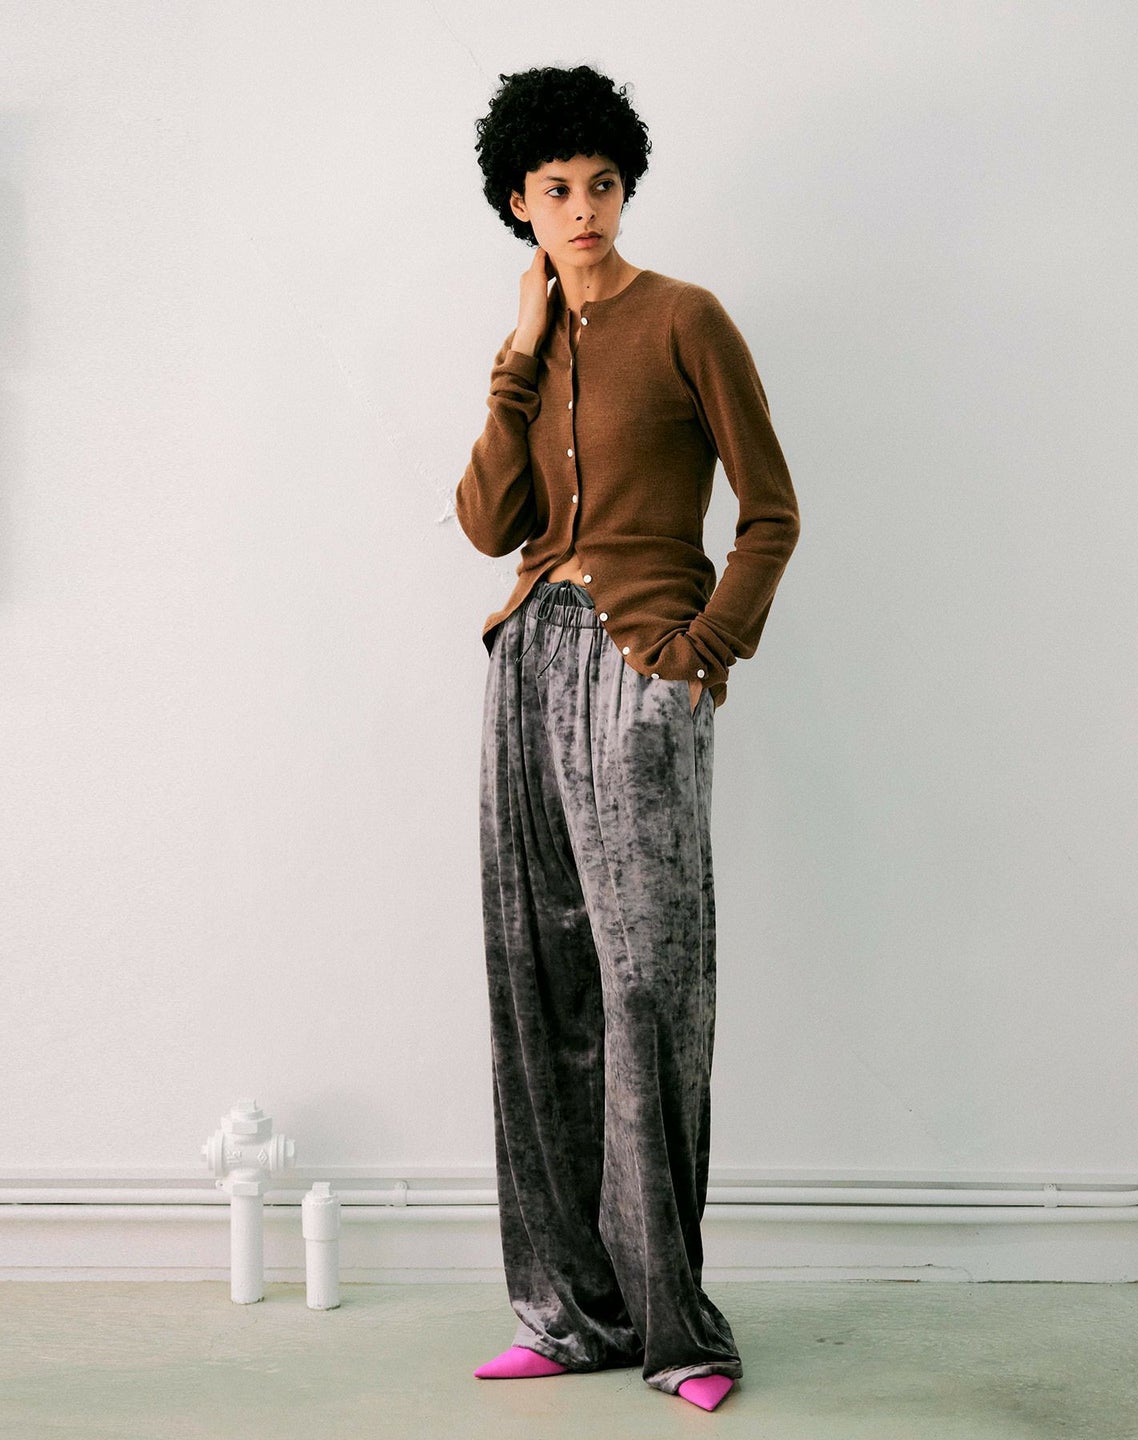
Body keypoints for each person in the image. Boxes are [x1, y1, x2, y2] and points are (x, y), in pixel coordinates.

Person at [455, 63, 800, 1414]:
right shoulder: (533, 347)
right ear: (519, 205)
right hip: (527, 662)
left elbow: (770, 511)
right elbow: (489, 524)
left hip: (642, 663)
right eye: (558, 189)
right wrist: (518, 349)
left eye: (603, 183)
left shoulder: (686, 318)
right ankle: (567, 1314)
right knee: (537, 986)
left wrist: (702, 656)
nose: (585, 207)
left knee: (649, 989)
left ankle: (680, 1330)